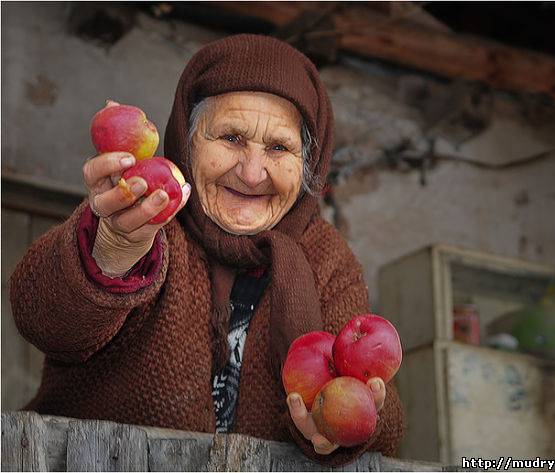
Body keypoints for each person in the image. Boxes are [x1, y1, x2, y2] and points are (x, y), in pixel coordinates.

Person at [10, 34, 404, 466]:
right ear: (188, 140)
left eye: (279, 147)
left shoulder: (327, 257)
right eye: (231, 138)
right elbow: (43, 319)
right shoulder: (144, 214)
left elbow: (387, 415)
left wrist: (351, 424)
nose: (253, 174)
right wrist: (113, 250)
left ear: (307, 163)